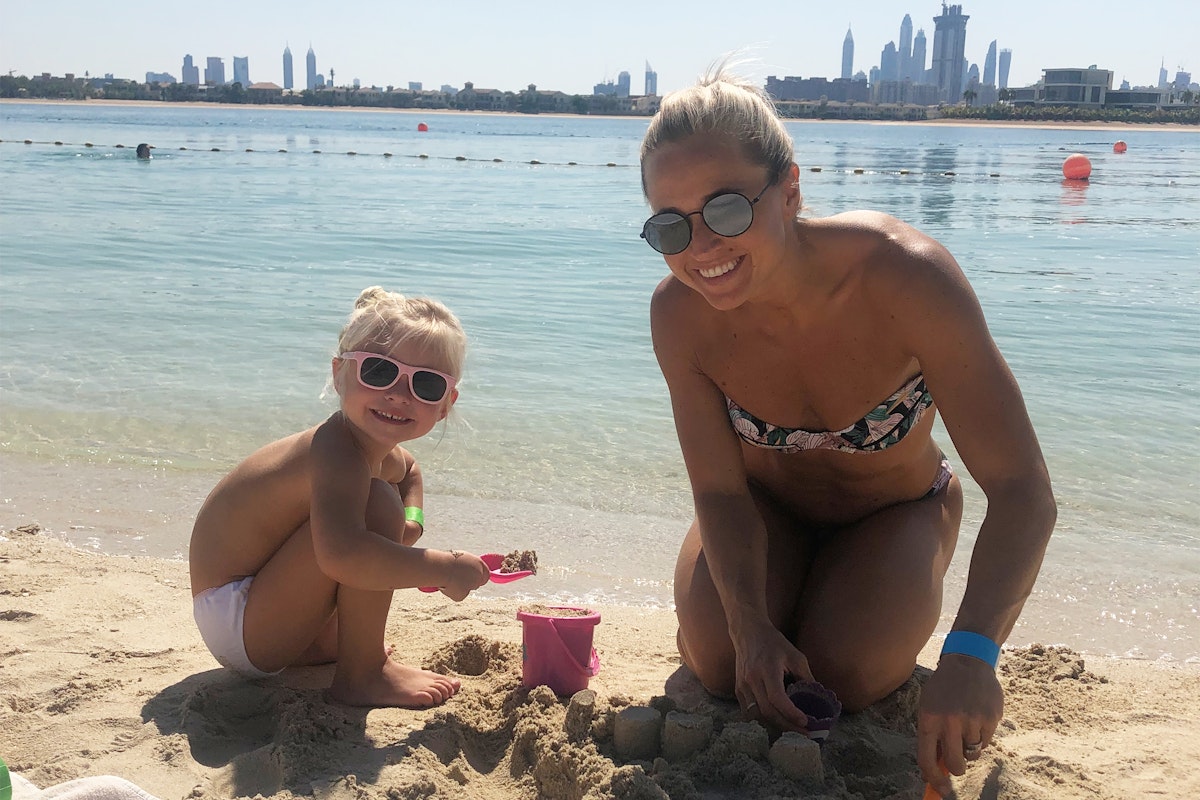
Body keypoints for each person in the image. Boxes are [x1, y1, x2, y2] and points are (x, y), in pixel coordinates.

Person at [640, 64, 1056, 797]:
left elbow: (1024, 492)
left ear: (791, 189)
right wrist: (746, 625)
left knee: (848, 675)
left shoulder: (906, 278)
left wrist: (971, 653)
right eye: (671, 224)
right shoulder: (679, 315)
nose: (702, 246)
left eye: (728, 209)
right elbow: (719, 489)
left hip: (893, 511)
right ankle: (736, 619)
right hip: (765, 511)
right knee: (718, 663)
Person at [189, 287, 490, 708]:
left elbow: (411, 473)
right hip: (238, 617)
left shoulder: (374, 449)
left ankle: (339, 650)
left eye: (426, 383)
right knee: (375, 506)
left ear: (445, 404)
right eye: (379, 372)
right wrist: (444, 568)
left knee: (380, 505)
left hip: (267, 614)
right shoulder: (337, 451)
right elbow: (342, 556)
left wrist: (412, 524)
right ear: (339, 373)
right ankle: (363, 674)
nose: (400, 394)